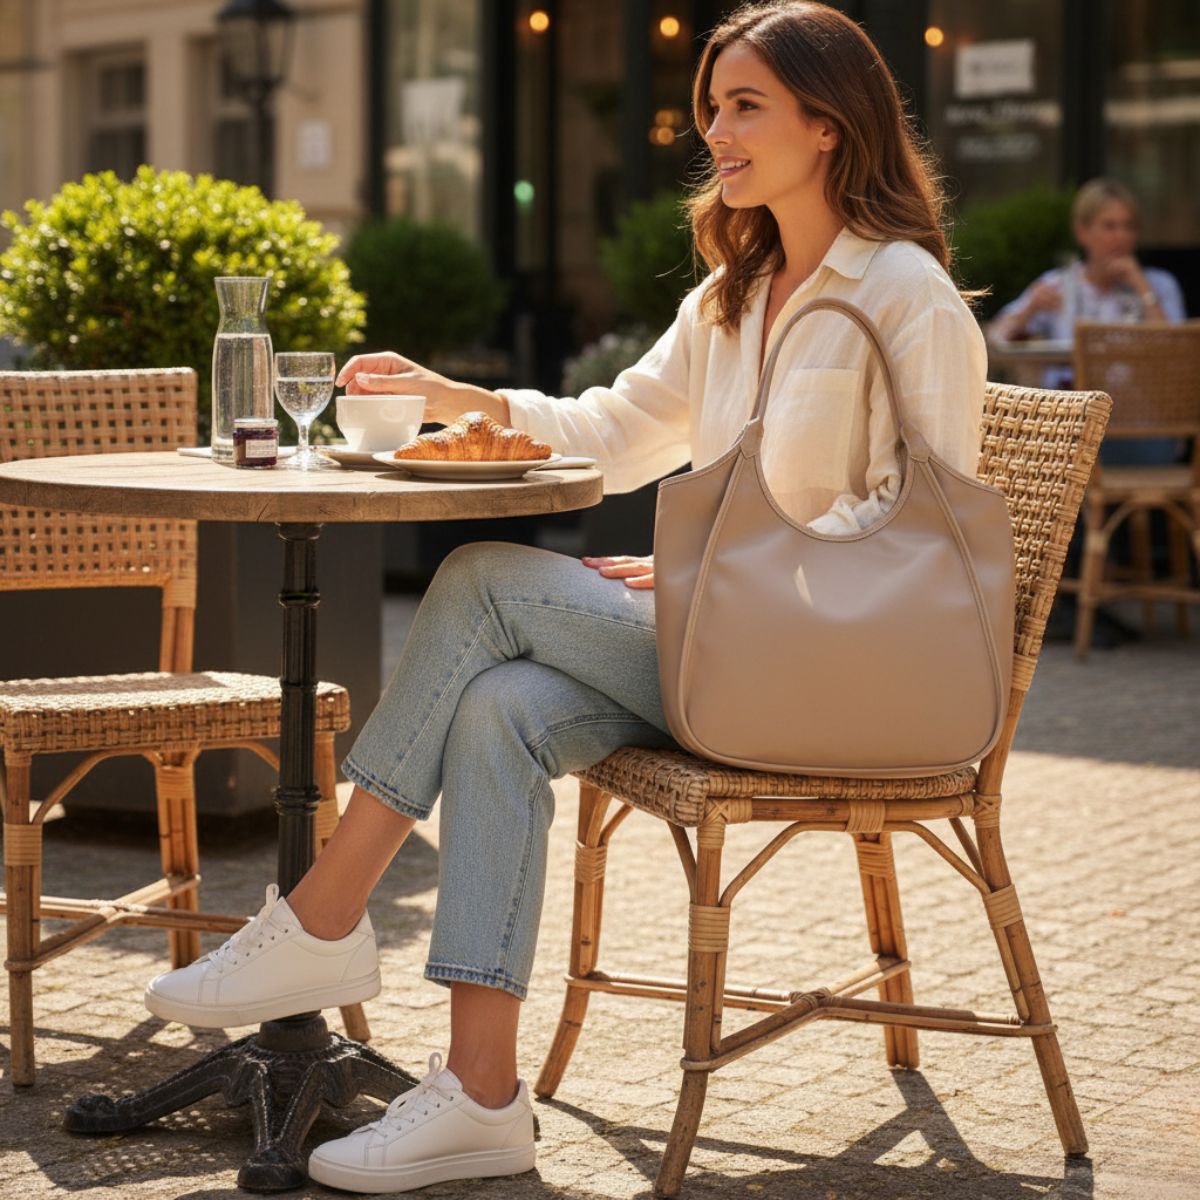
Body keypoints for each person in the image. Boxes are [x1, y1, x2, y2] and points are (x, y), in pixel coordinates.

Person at [143, 2, 987, 1192]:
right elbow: (612, 431)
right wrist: (459, 398)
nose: (715, 131)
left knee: (480, 578)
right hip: (724, 663)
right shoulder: (733, 296)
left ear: (829, 126)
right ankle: (481, 1096)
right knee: (498, 709)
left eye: (745, 105)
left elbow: (927, 529)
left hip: (835, 682)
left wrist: (714, 569)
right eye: (712, 106)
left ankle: (323, 915)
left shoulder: (905, 295)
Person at [990, 178, 1185, 349]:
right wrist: (1029, 310)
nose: (1121, 236)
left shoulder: (1160, 284)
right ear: (1082, 232)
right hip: (1068, 381)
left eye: (1129, 226)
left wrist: (1142, 287)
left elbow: (1175, 350)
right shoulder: (1057, 284)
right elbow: (994, 338)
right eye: (1109, 226)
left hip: (1133, 382)